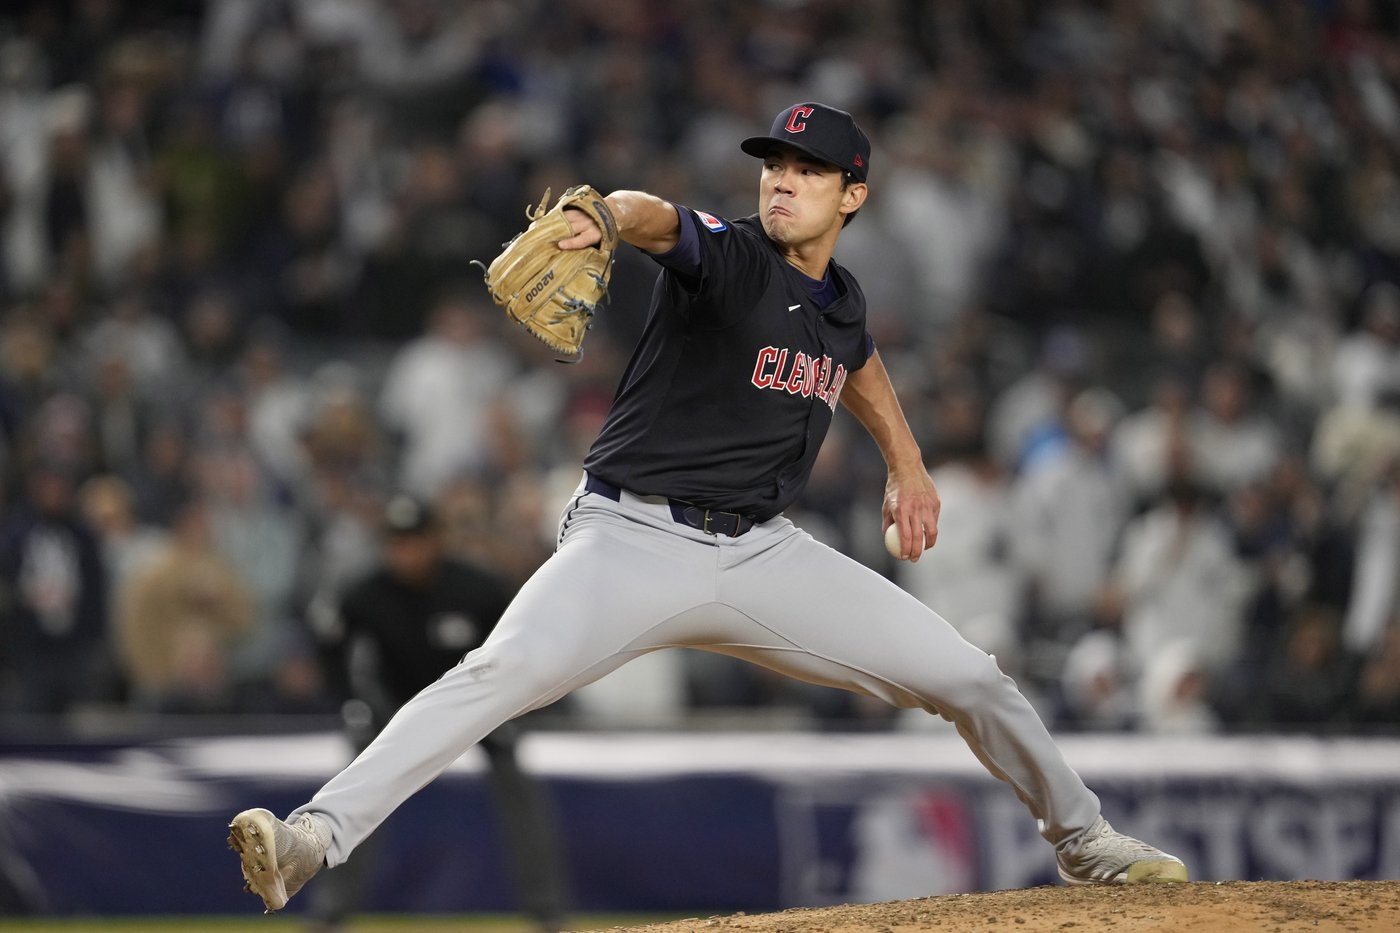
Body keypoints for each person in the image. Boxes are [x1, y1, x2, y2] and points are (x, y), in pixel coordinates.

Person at [228, 102, 1188, 914]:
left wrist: (907, 462)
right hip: (631, 538)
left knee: (972, 676)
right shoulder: (732, 257)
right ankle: (313, 837)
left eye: (808, 171)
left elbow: (856, 359)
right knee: (497, 672)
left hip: (764, 555)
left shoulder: (842, 300)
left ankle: (1083, 837)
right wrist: (602, 215)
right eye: (775, 165)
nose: (782, 181)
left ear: (853, 196)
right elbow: (656, 220)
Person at [302, 493, 569, 932]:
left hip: (476, 705)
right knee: (356, 794)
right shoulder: (366, 593)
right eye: (396, 543)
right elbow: (330, 646)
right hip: (397, 709)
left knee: (519, 790)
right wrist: (352, 701)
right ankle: (329, 913)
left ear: (436, 540)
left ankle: (548, 912)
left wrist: (512, 709)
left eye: (414, 541)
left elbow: (522, 641)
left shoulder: (478, 588)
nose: (404, 553)